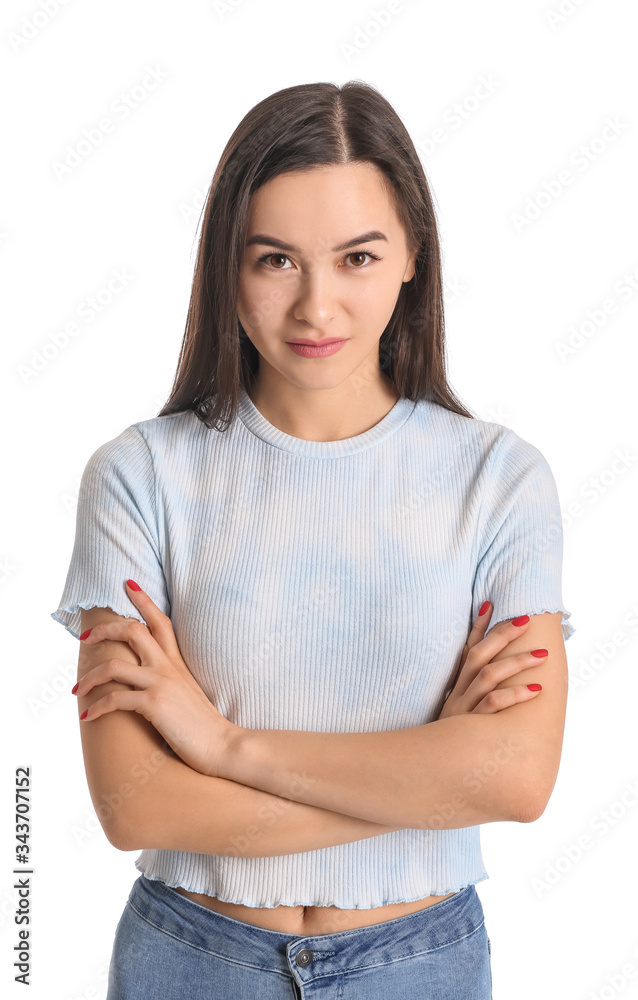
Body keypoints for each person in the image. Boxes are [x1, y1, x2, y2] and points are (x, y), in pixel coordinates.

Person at [51, 80, 575, 999]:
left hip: (420, 965)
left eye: (358, 258)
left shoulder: (501, 480)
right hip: (193, 959)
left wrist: (221, 748)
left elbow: (517, 778)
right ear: (228, 264)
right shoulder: (139, 478)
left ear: (413, 252)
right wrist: (426, 778)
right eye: (276, 261)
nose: (317, 308)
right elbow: (136, 804)